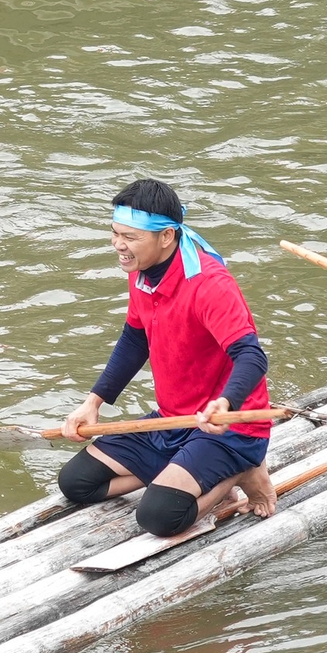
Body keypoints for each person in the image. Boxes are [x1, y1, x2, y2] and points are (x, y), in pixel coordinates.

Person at [56, 179, 278, 536]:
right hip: (173, 419)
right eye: (115, 233)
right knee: (77, 483)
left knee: (159, 517)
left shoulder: (210, 285)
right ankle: (184, 472)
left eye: (130, 237)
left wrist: (226, 404)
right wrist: (92, 402)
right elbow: (134, 339)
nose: (118, 245)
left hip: (225, 426)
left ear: (166, 236)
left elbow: (251, 356)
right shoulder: (141, 273)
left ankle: (244, 469)